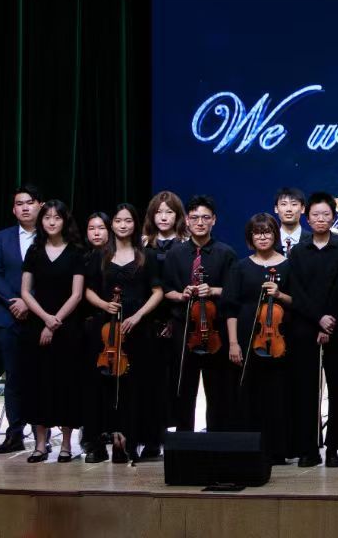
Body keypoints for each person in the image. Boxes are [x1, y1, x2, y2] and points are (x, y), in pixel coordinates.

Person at [82, 204, 164, 465]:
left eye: (128, 221)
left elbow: (158, 292)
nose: (123, 225)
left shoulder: (147, 255)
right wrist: (104, 304)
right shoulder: (100, 255)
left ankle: (132, 440)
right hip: (106, 328)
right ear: (112, 224)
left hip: (137, 327)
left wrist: (138, 316)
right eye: (118, 221)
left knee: (136, 386)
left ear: (135, 224)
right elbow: (88, 290)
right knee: (102, 385)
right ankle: (99, 443)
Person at [162, 194, 238, 433]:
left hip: (216, 330)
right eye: (195, 218)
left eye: (206, 218)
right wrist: (180, 294)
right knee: (184, 388)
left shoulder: (226, 253)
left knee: (218, 390)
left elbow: (234, 291)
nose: (200, 222)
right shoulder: (175, 253)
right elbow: (165, 290)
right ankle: (184, 440)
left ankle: (217, 439)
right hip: (185, 328)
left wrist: (213, 290)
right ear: (186, 220)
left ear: (214, 220)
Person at [226, 213, 298, 464]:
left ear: (275, 235)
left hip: (279, 339)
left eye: (267, 232)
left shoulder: (288, 265)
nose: (263, 237)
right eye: (257, 233)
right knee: (249, 394)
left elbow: (298, 301)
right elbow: (230, 307)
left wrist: (279, 294)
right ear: (250, 237)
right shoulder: (240, 267)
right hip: (247, 338)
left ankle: (277, 450)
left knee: (277, 395)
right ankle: (249, 449)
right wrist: (233, 343)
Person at [17, 199, 85, 462]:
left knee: (67, 384)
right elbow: (25, 291)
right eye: (47, 217)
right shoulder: (34, 251)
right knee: (39, 384)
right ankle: (40, 445)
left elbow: (76, 294)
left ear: (65, 221)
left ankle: (66, 445)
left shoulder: (76, 252)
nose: (52, 222)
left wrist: (56, 321)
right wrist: (46, 319)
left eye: (57, 217)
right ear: (41, 221)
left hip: (67, 326)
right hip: (38, 324)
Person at [286, 191, 338, 467]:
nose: (321, 219)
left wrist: (329, 319)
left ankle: (334, 448)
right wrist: (318, 319)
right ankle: (308, 449)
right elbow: (296, 291)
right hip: (305, 329)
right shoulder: (298, 251)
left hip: (337, 329)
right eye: (315, 215)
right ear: (307, 218)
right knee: (305, 391)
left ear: (333, 217)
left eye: (326, 214)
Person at [0, 183, 42, 454]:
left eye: (30, 202)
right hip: (9, 317)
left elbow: (54, 276)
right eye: (19, 204)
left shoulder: (50, 236)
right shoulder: (2, 237)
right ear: (13, 209)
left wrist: (28, 301)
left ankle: (41, 433)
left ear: (40, 205)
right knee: (14, 378)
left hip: (40, 317)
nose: (25, 208)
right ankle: (15, 433)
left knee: (39, 376)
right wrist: (15, 301)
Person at [139, 189, 184, 459]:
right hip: (148, 321)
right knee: (151, 383)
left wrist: (172, 319)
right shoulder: (143, 245)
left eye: (169, 212)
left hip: (178, 320)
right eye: (159, 212)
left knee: (176, 383)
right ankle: (152, 438)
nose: (164, 217)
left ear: (178, 216)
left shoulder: (186, 244)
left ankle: (179, 437)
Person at [77, 211, 111, 460]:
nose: (96, 233)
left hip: (112, 324)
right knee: (90, 383)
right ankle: (91, 435)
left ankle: (111, 430)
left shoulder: (116, 256)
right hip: (87, 327)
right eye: (91, 228)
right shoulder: (82, 257)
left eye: (101, 228)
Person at [273, 187, 308, 254]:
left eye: (294, 204)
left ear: (303, 209)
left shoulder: (312, 240)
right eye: (283, 204)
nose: (289, 209)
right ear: (276, 209)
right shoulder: (270, 240)